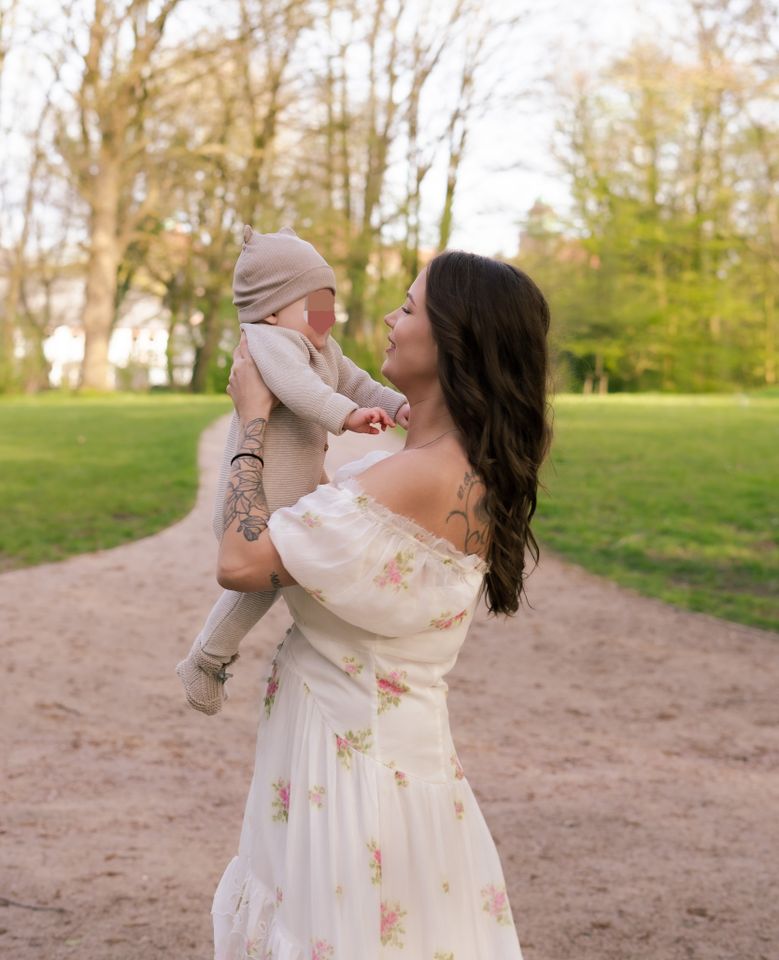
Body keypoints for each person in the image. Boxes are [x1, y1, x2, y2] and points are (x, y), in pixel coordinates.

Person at [210, 248, 552, 958]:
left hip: (348, 782)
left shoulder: (409, 479)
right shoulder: (456, 464)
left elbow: (241, 561)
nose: (390, 319)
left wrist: (250, 424)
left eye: (408, 306)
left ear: (453, 338)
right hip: (398, 772)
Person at [176, 224, 410, 715]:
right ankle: (206, 657)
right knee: (268, 581)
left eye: (330, 301)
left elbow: (359, 382)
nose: (327, 315)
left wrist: (396, 404)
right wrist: (344, 416)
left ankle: (211, 656)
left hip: (291, 499)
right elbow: (300, 389)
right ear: (272, 308)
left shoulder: (323, 349)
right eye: (315, 304)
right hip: (254, 500)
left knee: (285, 579)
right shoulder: (269, 342)